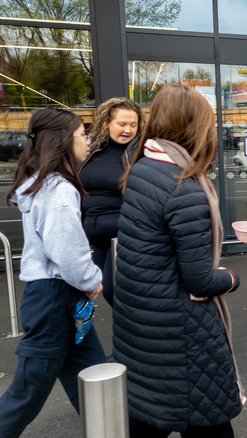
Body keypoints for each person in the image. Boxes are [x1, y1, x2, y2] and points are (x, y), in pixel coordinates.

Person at [112, 85, 243, 437]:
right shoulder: (184, 188)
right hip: (182, 331)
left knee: (149, 410)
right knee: (208, 420)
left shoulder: (142, 168)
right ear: (195, 128)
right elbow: (200, 280)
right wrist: (231, 277)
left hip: (141, 322)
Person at [0, 108, 104, 438]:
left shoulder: (42, 184)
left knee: (96, 381)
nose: (88, 141)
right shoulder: (58, 190)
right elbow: (67, 251)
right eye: (82, 135)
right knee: (28, 392)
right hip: (55, 299)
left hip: (54, 297)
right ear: (61, 141)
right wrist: (91, 280)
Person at [78, 97, 143, 307]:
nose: (128, 130)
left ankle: (136, 326)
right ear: (107, 123)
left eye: (133, 125)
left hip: (123, 230)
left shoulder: (139, 153)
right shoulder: (92, 149)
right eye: (122, 124)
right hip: (95, 232)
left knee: (113, 290)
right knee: (96, 288)